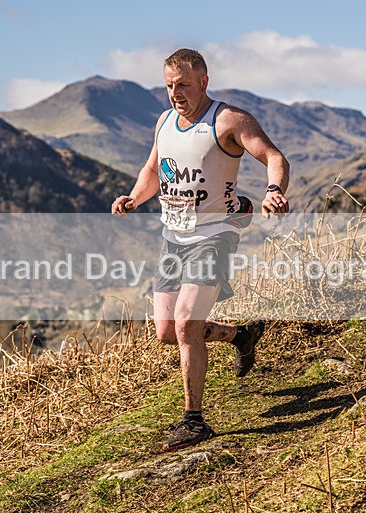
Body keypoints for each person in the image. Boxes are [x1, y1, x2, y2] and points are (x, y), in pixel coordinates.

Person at [112, 48, 290, 452]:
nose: (176, 93)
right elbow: (153, 170)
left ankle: (193, 421)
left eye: (184, 85)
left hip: (215, 234)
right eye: (169, 85)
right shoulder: (164, 122)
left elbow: (274, 157)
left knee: (187, 324)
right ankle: (241, 335)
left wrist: (273, 190)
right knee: (166, 331)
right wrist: (134, 198)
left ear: (204, 82)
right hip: (173, 238)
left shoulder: (228, 120)